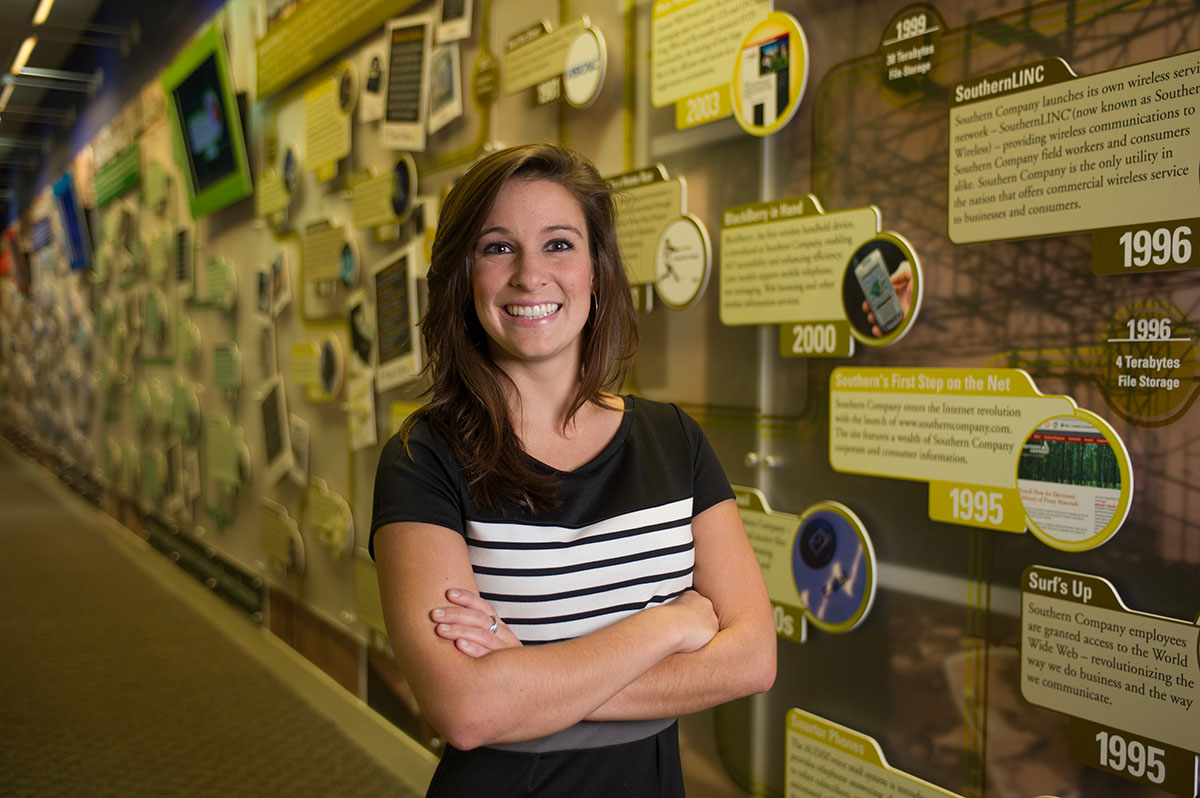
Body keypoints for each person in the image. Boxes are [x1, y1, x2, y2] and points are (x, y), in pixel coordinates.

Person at [370, 142, 776, 798]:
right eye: (498, 247)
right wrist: (666, 625)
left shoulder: (673, 441)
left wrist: (526, 678)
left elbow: (753, 660)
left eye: (558, 244)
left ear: (597, 269)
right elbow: (468, 711)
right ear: (463, 274)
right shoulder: (423, 461)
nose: (531, 276)